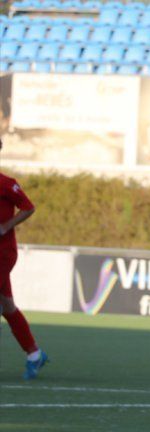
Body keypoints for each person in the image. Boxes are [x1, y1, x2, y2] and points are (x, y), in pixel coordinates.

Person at [1, 137, 49, 379]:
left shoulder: (7, 184)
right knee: (7, 307)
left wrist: (6, 225)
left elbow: (29, 207)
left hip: (2, 253)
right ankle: (35, 354)